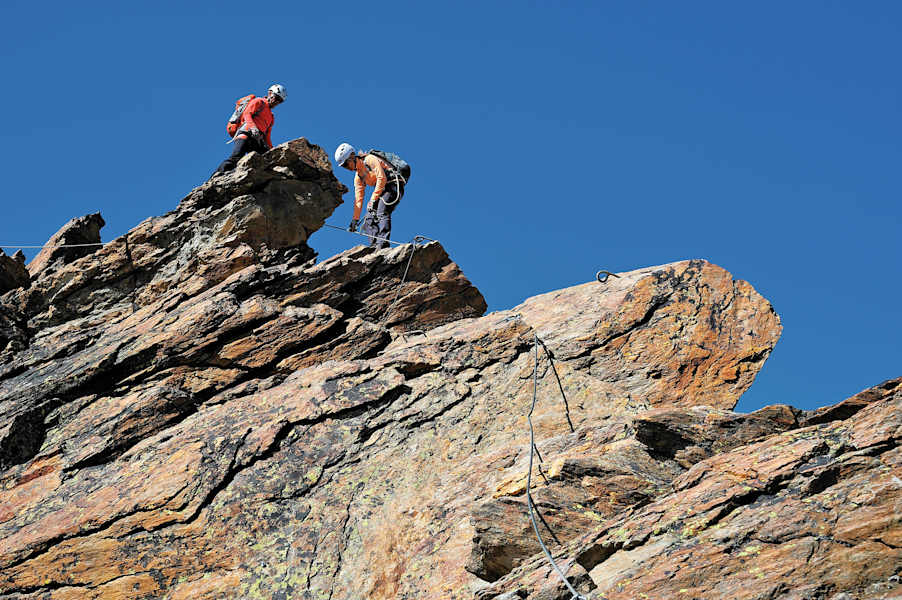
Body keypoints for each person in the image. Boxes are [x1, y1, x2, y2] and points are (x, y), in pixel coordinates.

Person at [334, 143, 405, 249]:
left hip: (393, 185)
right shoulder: (358, 177)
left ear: (352, 156)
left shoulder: (369, 159)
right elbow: (358, 199)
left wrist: (372, 200)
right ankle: (374, 245)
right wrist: (355, 219)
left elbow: (382, 178)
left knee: (381, 211)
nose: (346, 168)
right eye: (344, 166)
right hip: (382, 190)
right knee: (368, 220)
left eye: (346, 164)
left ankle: (383, 243)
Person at [213, 84, 286, 175]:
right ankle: (217, 175)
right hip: (246, 134)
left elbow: (267, 136)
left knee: (266, 160)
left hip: (257, 139)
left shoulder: (271, 117)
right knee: (235, 158)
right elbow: (247, 114)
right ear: (270, 93)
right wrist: (253, 127)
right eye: (277, 98)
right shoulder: (259, 102)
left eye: (280, 101)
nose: (277, 102)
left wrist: (272, 149)